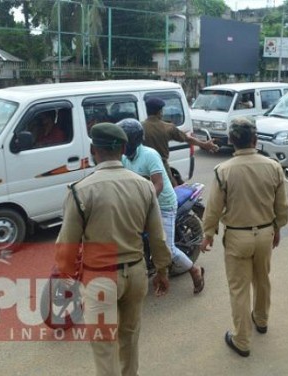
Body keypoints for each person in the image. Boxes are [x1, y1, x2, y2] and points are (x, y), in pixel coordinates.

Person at [54, 122, 172, 376]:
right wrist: (162, 271)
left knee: (104, 345)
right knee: (130, 337)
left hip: (99, 279)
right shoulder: (144, 186)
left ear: (93, 149)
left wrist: (67, 282)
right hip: (137, 275)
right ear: (123, 148)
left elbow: (67, 247)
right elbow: (158, 237)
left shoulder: (81, 191)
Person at [200, 117, 288, 357]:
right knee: (263, 279)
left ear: (230, 141)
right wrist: (277, 228)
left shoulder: (223, 170)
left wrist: (207, 235)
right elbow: (282, 206)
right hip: (265, 234)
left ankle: (242, 340)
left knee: (239, 289)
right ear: (255, 139)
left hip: (238, 238)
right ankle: (261, 320)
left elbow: (214, 208)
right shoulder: (274, 167)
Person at [117, 118, 205, 294]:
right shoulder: (125, 157)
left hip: (163, 204)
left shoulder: (149, 155)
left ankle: (195, 271)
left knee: (167, 248)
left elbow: (158, 184)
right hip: (141, 205)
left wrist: (144, 205)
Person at [142, 97, 219, 186]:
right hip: (162, 168)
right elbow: (187, 139)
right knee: (172, 192)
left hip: (144, 169)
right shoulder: (168, 128)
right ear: (160, 112)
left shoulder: (140, 127)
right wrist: (204, 144)